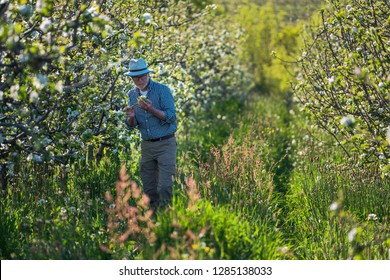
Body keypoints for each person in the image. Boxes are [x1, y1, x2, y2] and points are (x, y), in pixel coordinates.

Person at [123, 58, 177, 211]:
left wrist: (150, 110)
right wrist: (131, 117)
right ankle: (153, 219)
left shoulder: (162, 90)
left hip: (166, 143)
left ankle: (166, 217)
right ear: (131, 78)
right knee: (149, 186)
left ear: (148, 74)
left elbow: (171, 117)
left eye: (142, 76)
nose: (139, 80)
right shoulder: (132, 94)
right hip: (146, 145)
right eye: (135, 77)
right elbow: (131, 126)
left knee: (165, 186)